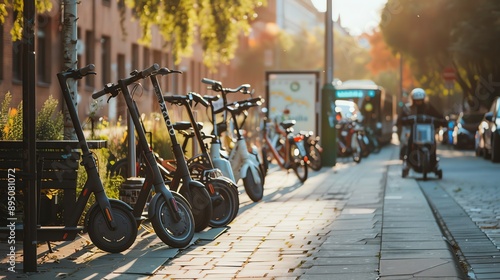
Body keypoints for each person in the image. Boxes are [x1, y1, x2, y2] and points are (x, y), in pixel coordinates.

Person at [396, 88, 445, 165]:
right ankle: (408, 163)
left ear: (424, 99)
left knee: (433, 142)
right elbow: (400, 119)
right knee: (410, 141)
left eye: (420, 100)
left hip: (428, 131)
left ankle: (433, 162)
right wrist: (402, 121)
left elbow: (438, 116)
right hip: (414, 131)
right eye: (416, 100)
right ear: (413, 100)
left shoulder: (429, 107)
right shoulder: (408, 108)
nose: (418, 102)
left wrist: (442, 120)